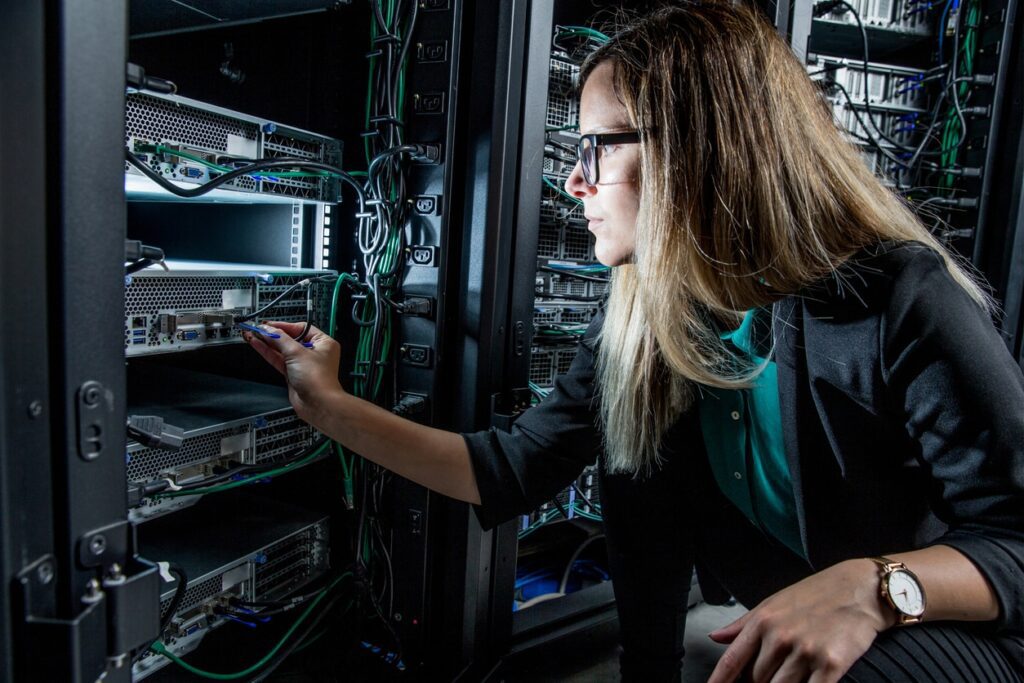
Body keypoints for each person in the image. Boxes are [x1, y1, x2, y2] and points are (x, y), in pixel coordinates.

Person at [243, 2, 1024, 681]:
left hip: (934, 630)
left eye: (596, 148)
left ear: (697, 149)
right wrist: (329, 404)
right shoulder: (646, 315)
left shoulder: (896, 298)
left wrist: (874, 588)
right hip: (794, 633)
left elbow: (1017, 542)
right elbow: (513, 466)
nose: (573, 183)